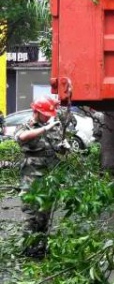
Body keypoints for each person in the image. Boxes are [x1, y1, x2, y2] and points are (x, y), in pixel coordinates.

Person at [14, 96, 65, 258]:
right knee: (31, 215)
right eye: (46, 114)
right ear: (36, 112)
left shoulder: (53, 126)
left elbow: (57, 148)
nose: (49, 116)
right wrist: (45, 128)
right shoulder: (27, 126)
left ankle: (40, 248)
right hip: (31, 179)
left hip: (49, 179)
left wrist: (64, 147)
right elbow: (20, 137)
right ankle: (28, 249)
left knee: (44, 216)